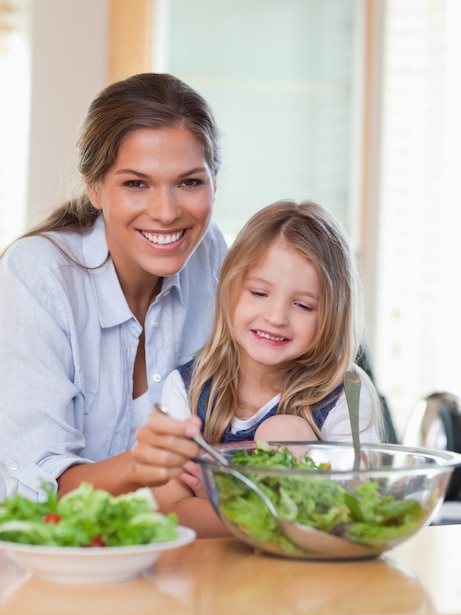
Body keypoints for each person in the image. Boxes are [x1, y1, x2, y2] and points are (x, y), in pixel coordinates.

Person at [0, 72, 229, 501]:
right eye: (136, 184)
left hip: (178, 551)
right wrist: (142, 467)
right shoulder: (37, 275)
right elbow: (33, 489)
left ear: (215, 183)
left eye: (189, 182)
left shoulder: (214, 257)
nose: (166, 212)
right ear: (95, 189)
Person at [153, 200, 384, 536]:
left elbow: (356, 507)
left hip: (307, 575)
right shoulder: (187, 389)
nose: (276, 317)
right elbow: (172, 510)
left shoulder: (344, 394)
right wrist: (273, 516)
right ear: (230, 288)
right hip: (213, 576)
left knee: (282, 433)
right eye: (259, 292)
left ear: (333, 314)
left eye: (303, 305)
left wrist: (231, 498)